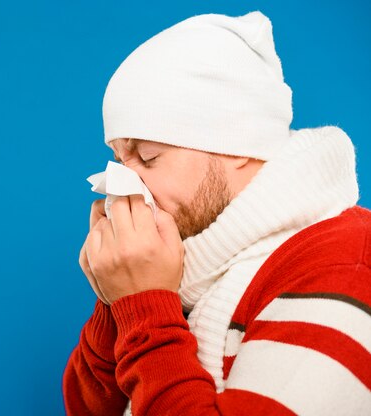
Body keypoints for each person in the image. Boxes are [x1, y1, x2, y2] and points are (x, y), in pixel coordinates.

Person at [62, 10, 371, 416]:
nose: (124, 184)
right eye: (119, 159)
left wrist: (145, 304)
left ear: (238, 145)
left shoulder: (344, 265)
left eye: (149, 157)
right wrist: (117, 301)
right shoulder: (192, 257)